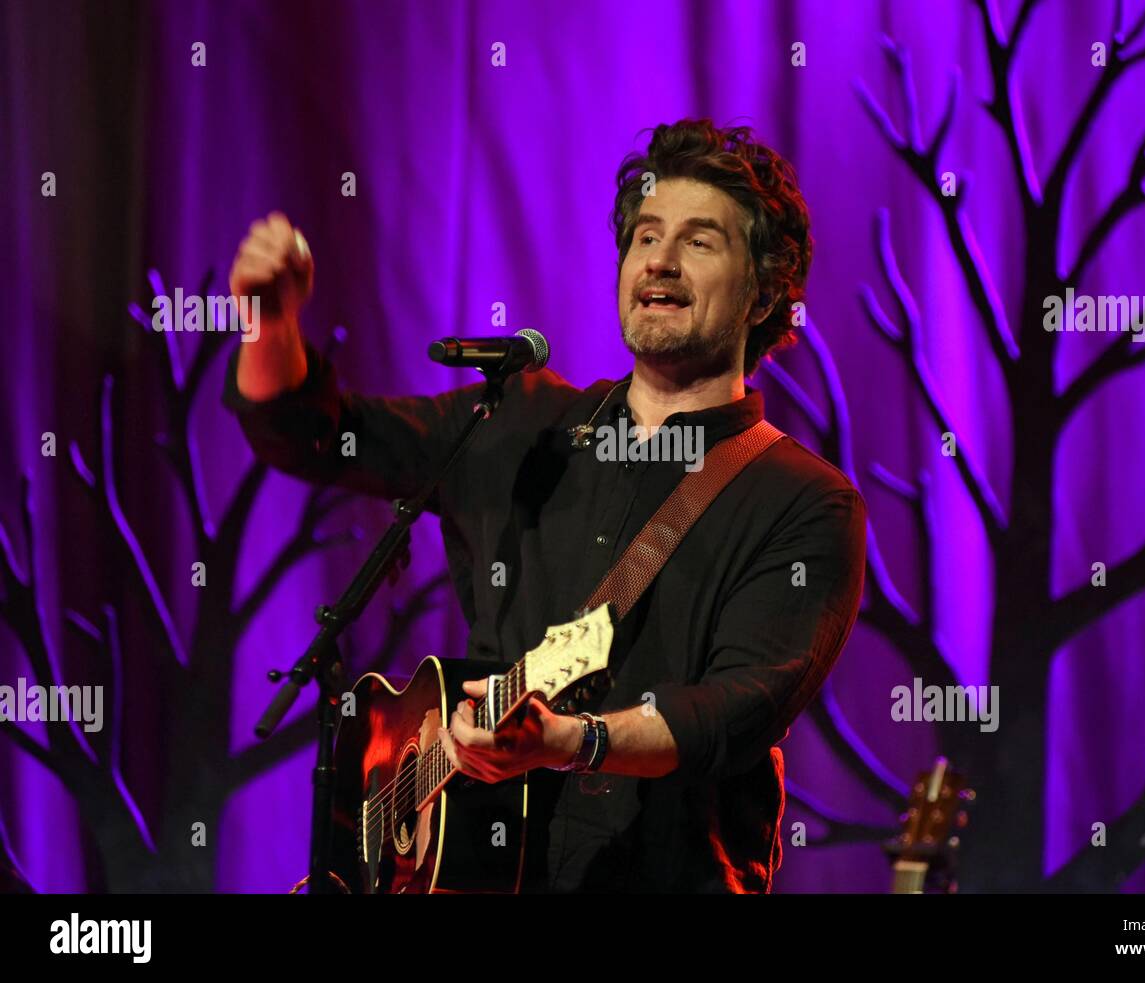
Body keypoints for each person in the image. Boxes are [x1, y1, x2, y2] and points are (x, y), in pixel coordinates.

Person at [222, 118, 866, 892]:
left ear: (764, 292)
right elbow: (315, 433)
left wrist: (574, 739)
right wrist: (267, 319)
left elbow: (733, 711)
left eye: (699, 241)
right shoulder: (522, 424)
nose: (658, 258)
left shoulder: (804, 503)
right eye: (646, 235)